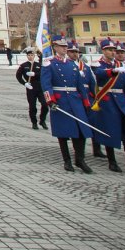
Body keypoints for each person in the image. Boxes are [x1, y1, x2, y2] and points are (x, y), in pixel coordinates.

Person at [91, 39, 125, 174]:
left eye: (113, 50)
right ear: (103, 50)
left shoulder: (121, 65)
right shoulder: (98, 64)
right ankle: (112, 161)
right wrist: (112, 71)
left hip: (122, 101)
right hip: (107, 100)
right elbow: (99, 74)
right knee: (110, 132)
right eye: (110, 50)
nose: (112, 52)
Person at [40, 36, 93, 173]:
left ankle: (80, 159)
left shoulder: (72, 64)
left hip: (75, 101)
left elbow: (80, 85)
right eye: (62, 46)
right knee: (63, 133)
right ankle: (67, 160)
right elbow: (46, 84)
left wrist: (86, 101)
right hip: (60, 101)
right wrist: (50, 100)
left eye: (66, 46)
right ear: (55, 47)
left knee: (81, 131)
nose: (65, 48)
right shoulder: (49, 63)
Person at [15, 50, 48, 129]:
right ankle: (34, 122)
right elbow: (18, 76)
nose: (30, 56)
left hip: (39, 87)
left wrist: (35, 74)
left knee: (45, 105)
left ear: (34, 56)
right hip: (30, 87)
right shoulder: (23, 65)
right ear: (27, 56)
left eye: (32, 55)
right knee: (32, 107)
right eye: (29, 55)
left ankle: (42, 120)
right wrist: (24, 83)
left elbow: (43, 74)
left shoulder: (38, 65)